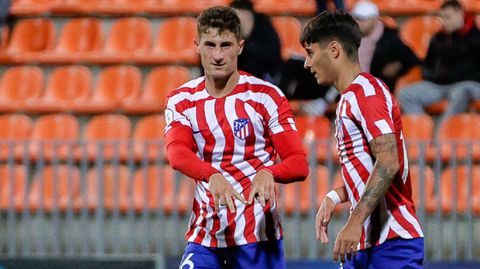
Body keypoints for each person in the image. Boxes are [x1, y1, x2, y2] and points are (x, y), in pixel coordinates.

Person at [164, 6, 309, 269]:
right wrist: (211, 174)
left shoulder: (267, 97)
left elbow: (299, 162)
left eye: (226, 45)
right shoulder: (182, 100)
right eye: (210, 45)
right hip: (205, 236)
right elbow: (177, 154)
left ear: (240, 46)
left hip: (258, 239)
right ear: (197, 46)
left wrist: (270, 172)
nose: (218, 55)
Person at [301, 11, 424, 268]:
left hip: (392, 242)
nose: (306, 64)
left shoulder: (367, 93)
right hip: (368, 245)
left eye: (311, 53)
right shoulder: (350, 98)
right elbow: (372, 169)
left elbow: (388, 163)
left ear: (334, 50)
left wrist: (354, 221)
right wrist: (335, 196)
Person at [398, 0, 480, 118]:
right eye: (441, 17)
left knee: (462, 91)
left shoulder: (475, 38)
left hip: (468, 85)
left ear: (459, 14)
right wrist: (433, 76)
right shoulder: (438, 38)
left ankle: (444, 132)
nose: (443, 21)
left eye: (447, 17)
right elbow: (428, 64)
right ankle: (423, 130)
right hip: (439, 86)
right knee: (406, 93)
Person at [352, 0, 419, 92]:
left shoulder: (389, 38)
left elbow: (412, 59)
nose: (358, 23)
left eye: (363, 19)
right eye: (356, 18)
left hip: (376, 90)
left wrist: (398, 66)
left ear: (374, 19)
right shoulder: (347, 36)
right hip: (349, 86)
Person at [229, 0, 282, 82]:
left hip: (261, 77)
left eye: (245, 18)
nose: (242, 22)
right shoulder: (225, 27)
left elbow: (273, 53)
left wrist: (246, 39)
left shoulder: (263, 24)